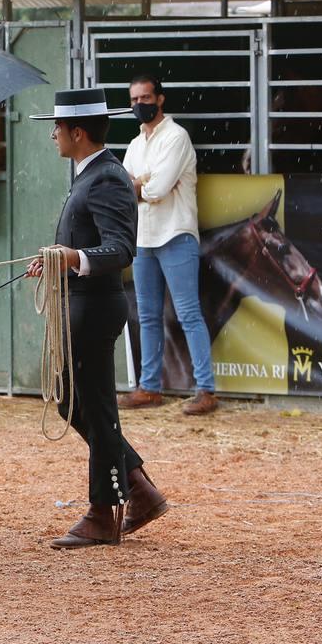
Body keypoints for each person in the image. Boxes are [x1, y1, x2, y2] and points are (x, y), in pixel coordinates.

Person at [27, 87, 169, 549]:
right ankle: (138, 488)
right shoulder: (92, 174)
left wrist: (72, 257)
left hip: (95, 305)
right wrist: (57, 259)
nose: (53, 134)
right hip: (81, 304)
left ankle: (103, 512)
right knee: (74, 403)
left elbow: (120, 249)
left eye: (58, 127)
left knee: (97, 408)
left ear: (78, 132)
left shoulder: (105, 178)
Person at [120, 74, 218, 416]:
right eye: (134, 100)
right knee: (148, 315)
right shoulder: (136, 144)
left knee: (188, 313)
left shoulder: (176, 137)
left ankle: (205, 388)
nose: (139, 105)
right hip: (145, 238)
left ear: (160, 99)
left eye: (145, 98)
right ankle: (150, 387)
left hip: (175, 233)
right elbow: (125, 190)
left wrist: (140, 185)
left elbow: (156, 189)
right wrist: (141, 186)